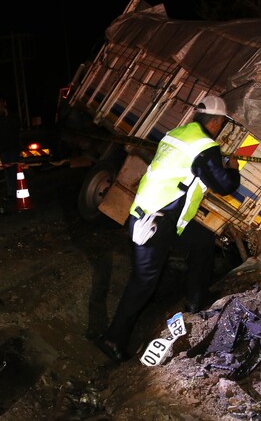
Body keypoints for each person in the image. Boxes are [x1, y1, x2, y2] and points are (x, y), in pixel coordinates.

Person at [97, 95, 241, 363]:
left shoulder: (178, 133)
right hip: (153, 223)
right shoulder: (203, 145)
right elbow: (223, 184)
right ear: (217, 121)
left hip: (162, 218)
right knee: (143, 284)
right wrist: (233, 167)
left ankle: (197, 298)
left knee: (202, 242)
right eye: (222, 123)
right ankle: (112, 338)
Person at [0, 98, 22, 200]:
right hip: (3, 150)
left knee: (14, 171)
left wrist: (7, 117)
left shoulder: (13, 117)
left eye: (0, 107)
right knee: (7, 172)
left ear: (4, 106)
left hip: (13, 149)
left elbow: (17, 127)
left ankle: (17, 192)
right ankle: (11, 193)